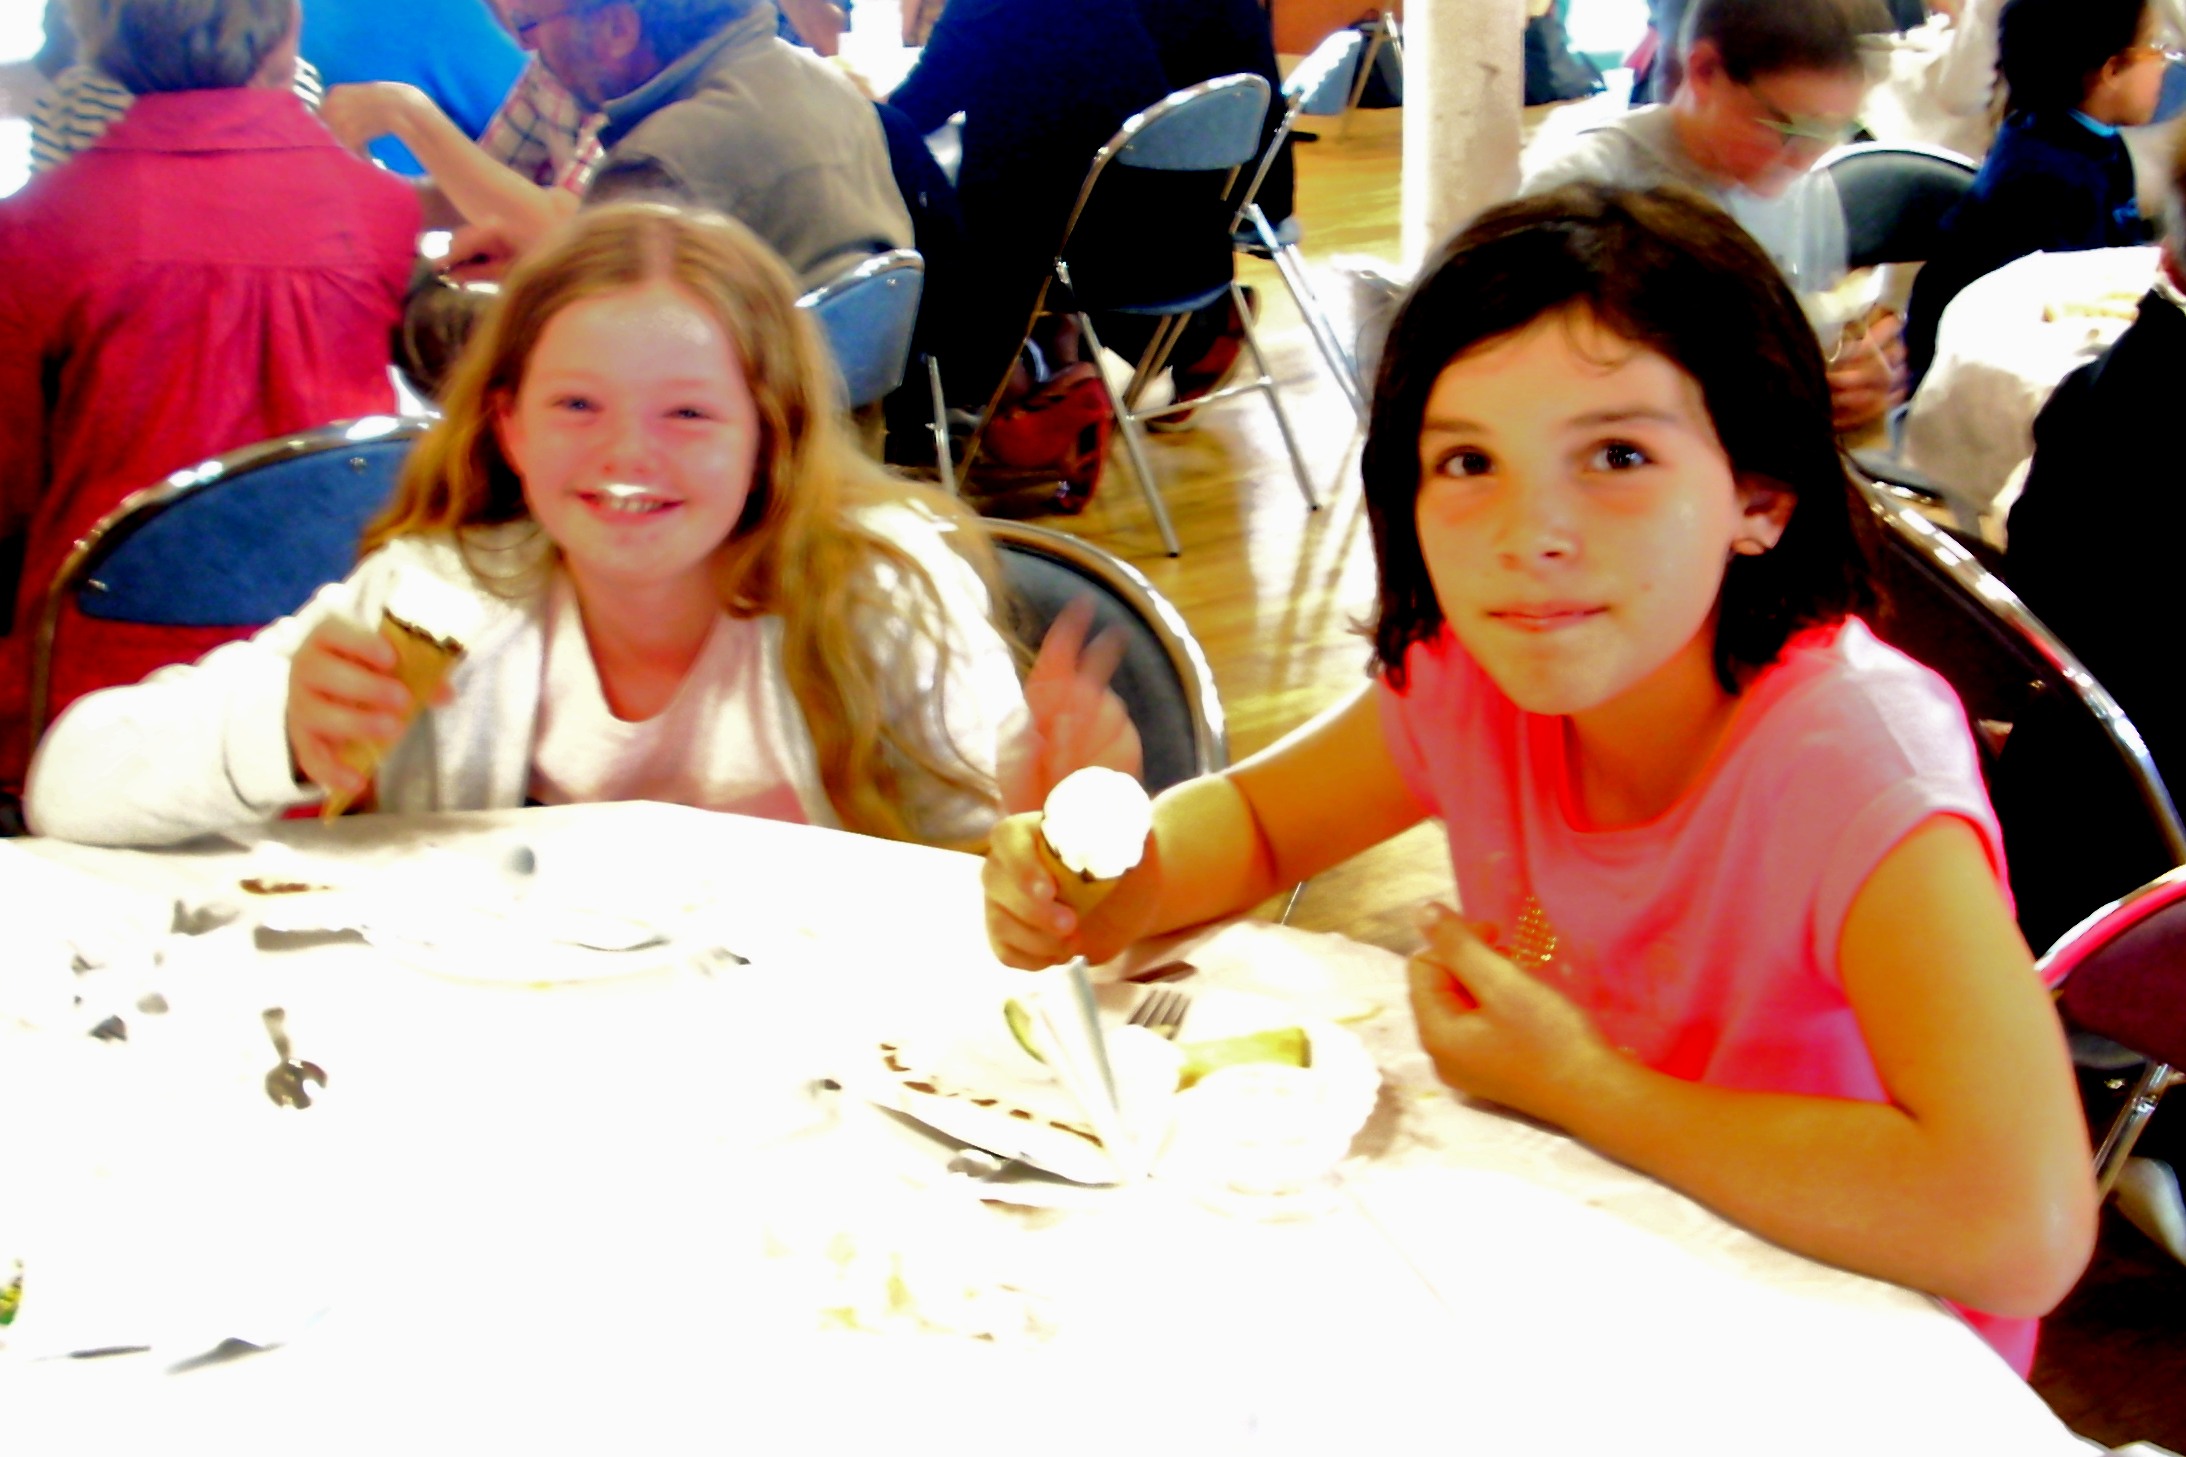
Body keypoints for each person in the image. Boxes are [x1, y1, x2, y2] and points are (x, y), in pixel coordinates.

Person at [980, 183, 2097, 1374]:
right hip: (1604, 1264)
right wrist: (1111, 879)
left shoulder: (1848, 760)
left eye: (1616, 455)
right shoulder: (1476, 675)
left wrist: (1583, 1086)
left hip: (1849, 1347)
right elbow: (1256, 825)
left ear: (1757, 497)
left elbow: (2016, 1226)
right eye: (1467, 461)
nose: (1528, 533)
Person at [25, 203, 1136, 851]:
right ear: (507, 425)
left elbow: (986, 880)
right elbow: (65, 786)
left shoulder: (879, 599)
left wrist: (1056, 837)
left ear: (771, 435)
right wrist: (273, 730)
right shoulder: (436, 594)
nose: (626, 459)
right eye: (576, 406)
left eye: (688, 414)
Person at [0, 0, 419, 802]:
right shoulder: (381, 211)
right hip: (331, 683)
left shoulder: (38, 229)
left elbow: (8, 493)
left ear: (96, 32)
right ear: (286, 28)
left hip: (97, 706)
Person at [886, 0, 1291, 412]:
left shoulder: (992, 9)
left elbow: (915, 108)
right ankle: (1147, 338)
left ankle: (1008, 391)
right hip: (1192, 235)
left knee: (921, 205)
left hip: (1076, 257)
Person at [1524, 0, 1904, 435]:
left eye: (1830, 131)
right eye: (1783, 126)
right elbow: (1543, 390)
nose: (1804, 158)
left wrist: (1855, 380)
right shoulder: (1581, 191)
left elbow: (1815, 333)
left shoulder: (1805, 183)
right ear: (1704, 71)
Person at [438, 0, 911, 290]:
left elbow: (596, 339)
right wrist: (549, 263)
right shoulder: (820, 82)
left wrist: (540, 283)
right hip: (843, 407)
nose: (528, 47)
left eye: (529, 24)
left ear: (618, 29)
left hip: (755, 411)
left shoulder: (657, 162)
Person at [1902, 0, 2167, 386]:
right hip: (1988, 379)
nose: (2164, 63)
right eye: (2154, 47)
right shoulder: (2042, 178)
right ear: (2112, 70)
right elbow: (2073, 314)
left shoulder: (2093, 139)